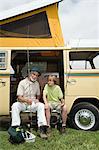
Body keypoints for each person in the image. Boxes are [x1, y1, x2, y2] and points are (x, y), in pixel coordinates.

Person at [11, 67, 48, 139]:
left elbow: (38, 95)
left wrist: (37, 100)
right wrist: (26, 100)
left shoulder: (37, 83)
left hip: (32, 104)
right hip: (23, 103)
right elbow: (19, 97)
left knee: (41, 105)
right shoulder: (22, 82)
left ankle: (42, 128)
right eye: (33, 74)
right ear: (29, 74)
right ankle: (15, 128)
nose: (35, 76)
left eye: (37, 75)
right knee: (15, 105)